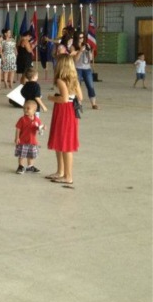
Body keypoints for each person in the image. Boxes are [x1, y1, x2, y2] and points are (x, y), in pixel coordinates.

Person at [46, 54, 83, 187]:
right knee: (61, 141)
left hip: (63, 111)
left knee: (65, 143)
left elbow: (64, 98)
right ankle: (61, 172)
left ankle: (68, 175)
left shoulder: (60, 81)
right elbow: (80, 97)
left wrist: (51, 98)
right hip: (71, 111)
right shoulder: (74, 80)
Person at [14, 99, 44, 174]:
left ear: (34, 110)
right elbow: (18, 128)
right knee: (22, 154)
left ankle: (30, 166)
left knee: (31, 155)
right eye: (24, 108)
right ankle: (20, 166)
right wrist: (17, 137)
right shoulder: (22, 119)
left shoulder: (37, 119)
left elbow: (39, 127)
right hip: (23, 141)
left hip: (32, 141)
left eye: (28, 108)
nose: (25, 110)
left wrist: (42, 128)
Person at [73, 30, 99, 109]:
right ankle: (78, 103)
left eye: (82, 37)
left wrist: (89, 50)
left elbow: (90, 58)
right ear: (76, 38)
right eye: (80, 37)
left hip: (87, 68)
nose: (81, 39)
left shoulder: (86, 45)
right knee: (78, 86)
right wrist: (80, 51)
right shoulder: (73, 47)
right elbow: (75, 60)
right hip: (78, 68)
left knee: (90, 86)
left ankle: (93, 103)